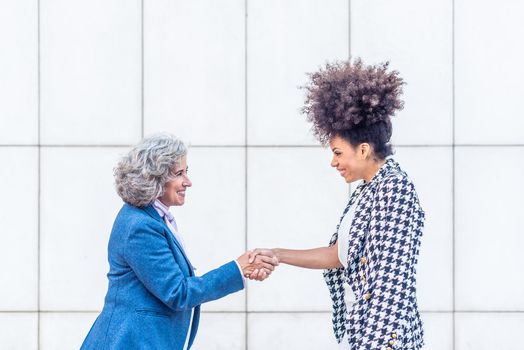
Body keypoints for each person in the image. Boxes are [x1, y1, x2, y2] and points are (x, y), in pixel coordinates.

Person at [249, 59, 425, 350]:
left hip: (381, 339)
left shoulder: (394, 189)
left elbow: (392, 285)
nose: (333, 162)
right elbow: (339, 255)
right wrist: (277, 254)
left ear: (364, 149)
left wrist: (377, 344)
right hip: (361, 331)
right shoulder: (368, 190)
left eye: (338, 153)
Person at [81, 133, 277, 350]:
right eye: (179, 173)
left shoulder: (153, 218)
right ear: (154, 177)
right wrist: (238, 269)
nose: (188, 182)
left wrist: (244, 269)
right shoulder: (140, 226)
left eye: (187, 171)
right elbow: (178, 293)